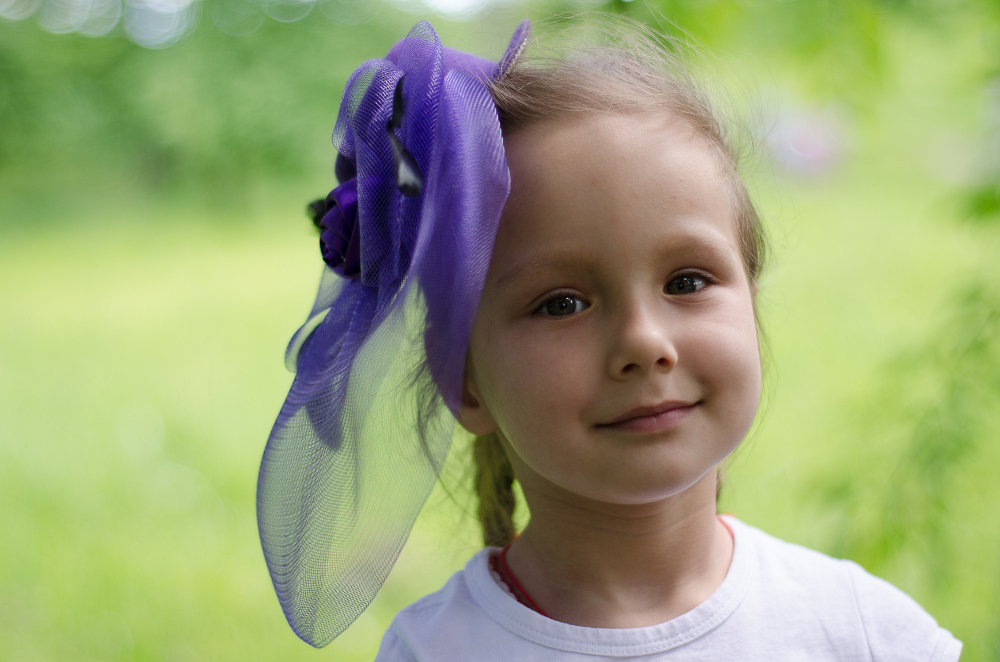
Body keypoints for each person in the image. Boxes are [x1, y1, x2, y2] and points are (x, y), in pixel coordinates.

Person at [256, 16, 962, 661]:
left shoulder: (862, 634)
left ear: (751, 301)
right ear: (463, 377)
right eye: (562, 303)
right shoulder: (434, 650)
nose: (644, 342)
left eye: (687, 281)